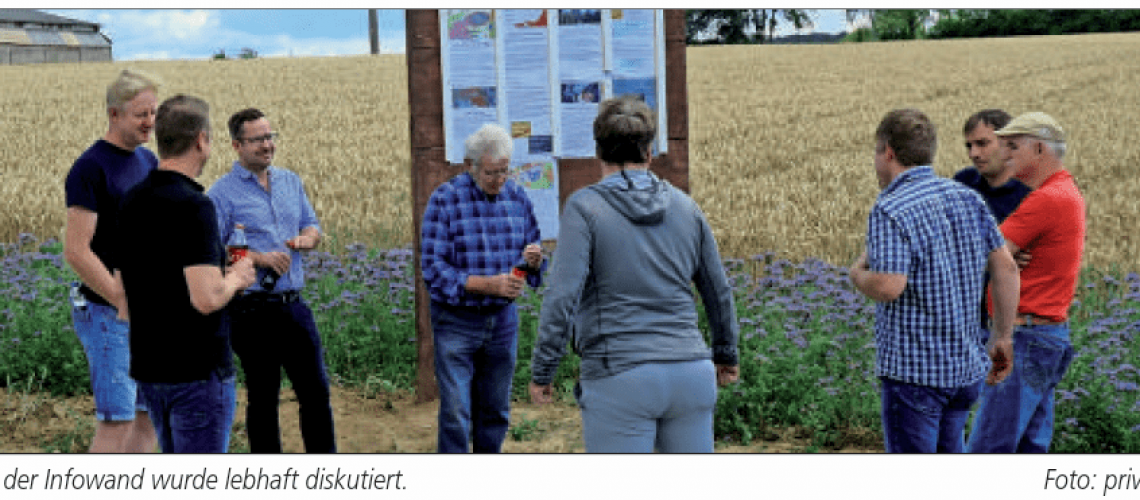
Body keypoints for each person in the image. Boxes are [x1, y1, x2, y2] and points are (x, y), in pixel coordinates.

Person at [528, 95, 740, 453]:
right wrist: (725, 353)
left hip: (619, 375)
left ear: (598, 150)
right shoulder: (687, 207)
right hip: (691, 370)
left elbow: (563, 296)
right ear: (649, 151)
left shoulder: (585, 208)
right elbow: (718, 290)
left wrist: (543, 369)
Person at [850, 108, 1019, 453]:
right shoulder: (967, 197)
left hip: (916, 375)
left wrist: (857, 275)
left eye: (876, 152)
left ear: (889, 153)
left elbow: (889, 285)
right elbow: (1006, 268)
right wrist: (1002, 336)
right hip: (965, 371)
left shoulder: (890, 207)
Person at [116, 95, 256, 453]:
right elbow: (206, 299)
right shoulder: (195, 205)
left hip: (150, 367)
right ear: (200, 140)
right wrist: (237, 277)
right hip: (196, 370)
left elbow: (128, 287)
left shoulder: (132, 200)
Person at [207, 108, 336, 453]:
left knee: (316, 393)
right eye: (257, 140)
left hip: (293, 305)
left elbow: (312, 225)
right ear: (236, 145)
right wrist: (259, 258)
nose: (267, 145)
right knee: (263, 398)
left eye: (269, 137)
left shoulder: (290, 181)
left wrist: (308, 238)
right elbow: (212, 254)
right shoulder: (221, 195)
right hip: (251, 311)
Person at [421, 123, 545, 453]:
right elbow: (433, 271)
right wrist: (486, 285)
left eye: (505, 171)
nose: (499, 180)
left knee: (496, 411)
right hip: (457, 322)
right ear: (470, 166)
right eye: (491, 173)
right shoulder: (445, 201)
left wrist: (533, 261)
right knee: (456, 413)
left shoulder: (518, 197)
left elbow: (532, 254)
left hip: (503, 322)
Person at [966, 112, 1084, 453]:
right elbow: (996, 248)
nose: (1005, 155)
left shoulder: (1046, 200)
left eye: (1013, 147)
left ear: (1039, 150)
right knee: (1030, 450)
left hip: (1025, 339)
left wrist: (998, 255)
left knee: (989, 451)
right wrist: (1003, 254)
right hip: (1047, 335)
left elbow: (977, 250)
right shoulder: (1066, 191)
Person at [62, 68, 161, 453]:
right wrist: (121, 298)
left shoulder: (148, 161)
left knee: (148, 415)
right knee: (116, 423)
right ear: (114, 114)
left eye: (153, 112)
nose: (150, 122)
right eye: (141, 114)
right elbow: (76, 250)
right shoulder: (90, 167)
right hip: (107, 313)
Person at [953, 109, 1034, 340]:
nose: (974, 154)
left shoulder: (1032, 195)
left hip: (1018, 326)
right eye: (969, 146)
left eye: (982, 144)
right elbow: (942, 246)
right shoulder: (962, 184)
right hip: (965, 321)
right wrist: (997, 257)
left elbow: (1037, 261)